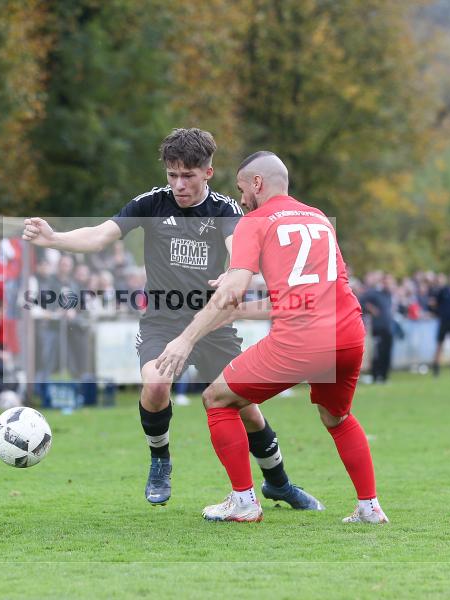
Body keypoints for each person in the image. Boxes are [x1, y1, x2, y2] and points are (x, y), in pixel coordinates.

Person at [22, 128, 320, 510]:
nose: (179, 184)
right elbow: (99, 236)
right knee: (156, 384)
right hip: (162, 322)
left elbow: (238, 253)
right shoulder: (151, 203)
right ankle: (160, 459)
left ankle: (278, 482)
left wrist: (232, 275)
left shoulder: (225, 211)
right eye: (172, 175)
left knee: (246, 409)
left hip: (211, 325)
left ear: (208, 173)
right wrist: (53, 238)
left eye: (188, 176)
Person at [155, 151, 386, 524]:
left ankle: (244, 501)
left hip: (302, 340)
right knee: (337, 416)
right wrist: (233, 310)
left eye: (243, 188)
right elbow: (303, 295)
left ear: (257, 184)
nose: (241, 197)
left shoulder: (255, 221)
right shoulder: (318, 219)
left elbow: (234, 292)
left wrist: (186, 338)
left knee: (216, 399)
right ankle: (369, 507)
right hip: (348, 335)